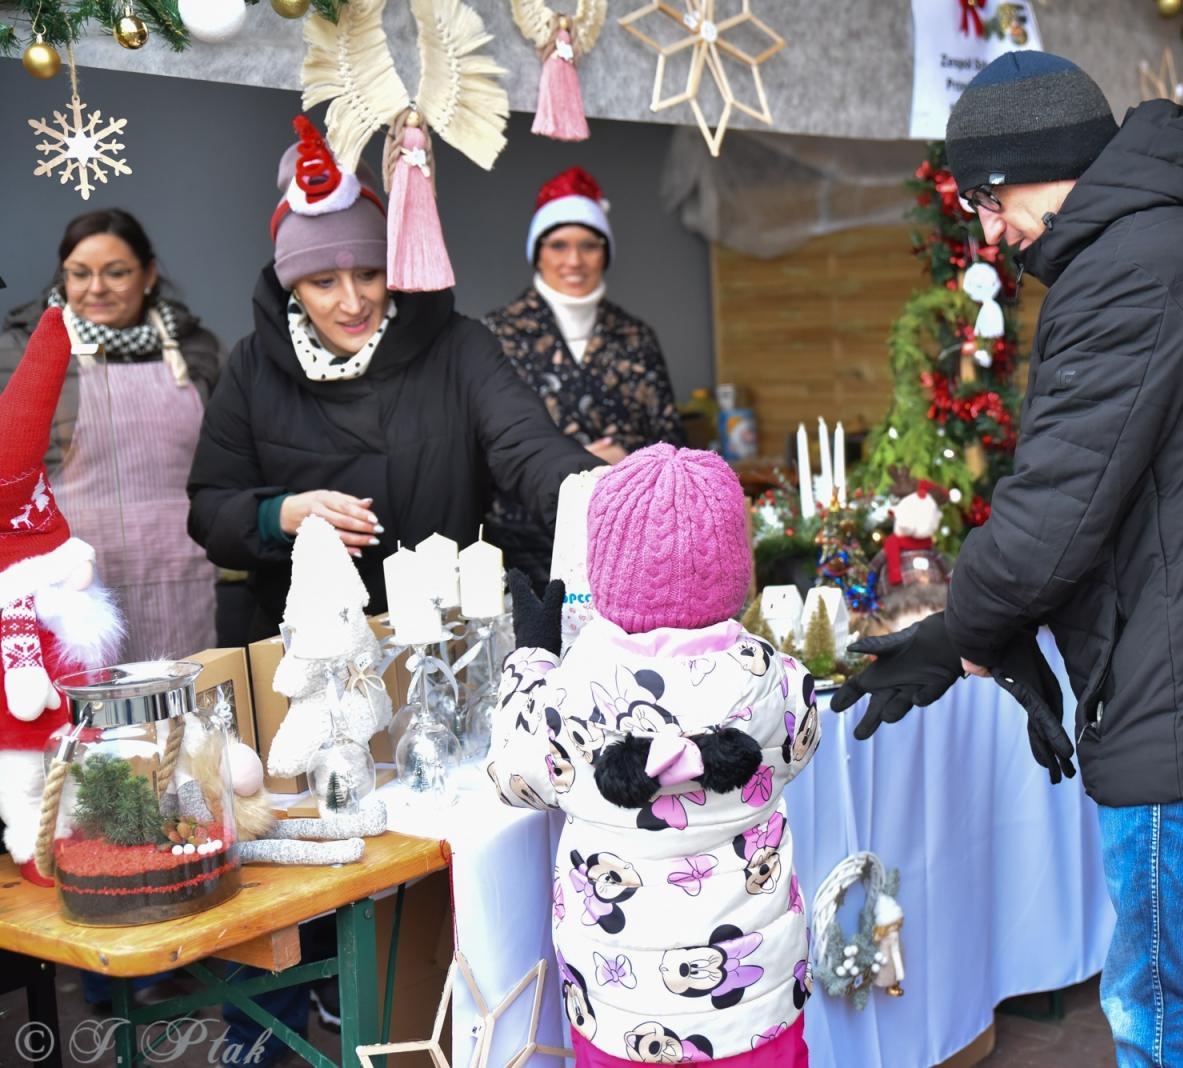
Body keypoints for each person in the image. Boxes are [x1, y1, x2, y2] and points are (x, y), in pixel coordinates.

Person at [835, 52, 1183, 1066]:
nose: (988, 228)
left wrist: (957, 631)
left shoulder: (1127, 271)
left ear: (1050, 168)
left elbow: (1052, 518)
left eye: (988, 196)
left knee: (1172, 1030)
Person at [187, 117, 598, 638]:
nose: (353, 302)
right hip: (312, 652)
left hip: (448, 639)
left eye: (369, 273)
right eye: (323, 282)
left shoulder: (457, 345)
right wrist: (279, 514)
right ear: (292, 287)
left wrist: (599, 493)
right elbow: (209, 510)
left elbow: (526, 444)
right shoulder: (251, 368)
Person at [488, 445, 815, 1067]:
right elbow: (798, 748)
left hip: (621, 1007)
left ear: (604, 569)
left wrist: (530, 657)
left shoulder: (571, 693)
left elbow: (512, 772)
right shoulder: (776, 680)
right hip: (756, 1002)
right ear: (734, 568)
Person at [1, 210, 220, 661]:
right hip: (72, 584)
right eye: (79, 274)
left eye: (116, 273)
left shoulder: (199, 349)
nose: (96, 288)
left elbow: (224, 459)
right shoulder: (21, 351)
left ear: (149, 274)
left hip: (180, 575)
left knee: (185, 711)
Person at [483, 167, 685, 586]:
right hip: (526, 545)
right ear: (537, 252)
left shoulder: (635, 336)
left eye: (588, 245)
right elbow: (478, 448)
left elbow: (672, 442)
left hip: (626, 542)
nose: (573, 260)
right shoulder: (496, 334)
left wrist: (627, 461)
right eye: (558, 245)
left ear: (605, 253)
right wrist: (574, 467)